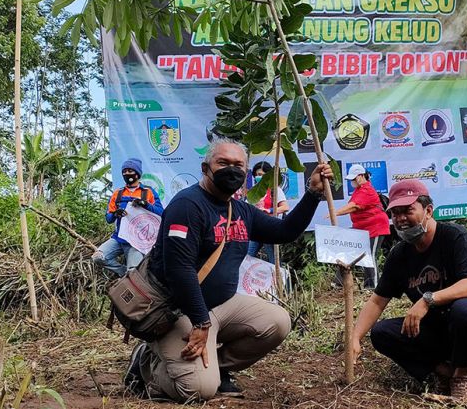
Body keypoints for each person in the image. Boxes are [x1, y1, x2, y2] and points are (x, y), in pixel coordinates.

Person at [125, 138, 333, 402]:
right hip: (180, 312)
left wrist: (313, 194)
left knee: (277, 322)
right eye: (223, 163)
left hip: (220, 307)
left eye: (238, 165)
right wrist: (201, 322)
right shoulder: (187, 206)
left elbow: (285, 231)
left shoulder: (240, 210)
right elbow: (179, 269)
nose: (231, 169)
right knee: (197, 391)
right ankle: (147, 366)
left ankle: (217, 368)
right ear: (205, 167)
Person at [350, 179, 467, 403]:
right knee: (382, 333)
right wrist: (355, 338)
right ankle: (445, 372)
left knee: (463, 308)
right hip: (444, 332)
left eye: (407, 210)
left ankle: (461, 379)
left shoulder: (455, 237)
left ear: (428, 210)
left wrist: (427, 300)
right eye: (395, 213)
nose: (400, 219)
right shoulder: (399, 255)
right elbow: (378, 301)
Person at [92, 158, 164, 276]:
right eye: (124, 171)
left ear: (137, 173)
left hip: (137, 241)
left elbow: (160, 213)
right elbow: (109, 219)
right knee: (98, 258)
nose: (126, 174)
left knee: (134, 273)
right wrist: (115, 214)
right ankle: (123, 272)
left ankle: (130, 276)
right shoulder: (117, 193)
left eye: (130, 170)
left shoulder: (148, 192)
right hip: (118, 238)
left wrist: (145, 204)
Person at [331, 164, 390, 289]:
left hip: (376, 227)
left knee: (369, 255)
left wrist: (335, 212)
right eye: (351, 179)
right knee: (348, 249)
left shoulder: (367, 190)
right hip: (362, 229)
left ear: (361, 176)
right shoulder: (358, 190)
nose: (352, 181)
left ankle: (373, 287)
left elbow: (354, 206)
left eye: (354, 178)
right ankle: (339, 282)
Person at [247, 161, 289, 262]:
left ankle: (278, 278)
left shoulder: (275, 190)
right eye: (256, 175)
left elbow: (285, 207)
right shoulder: (254, 191)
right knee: (247, 257)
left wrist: (269, 210)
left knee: (274, 261)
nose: (258, 177)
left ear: (268, 176)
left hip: (271, 229)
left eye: (261, 175)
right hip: (256, 230)